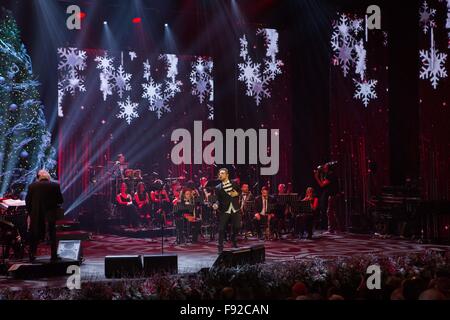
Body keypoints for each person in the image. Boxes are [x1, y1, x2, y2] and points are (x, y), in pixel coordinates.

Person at [25, 170, 64, 262]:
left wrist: (30, 213)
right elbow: (60, 200)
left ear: (38, 177)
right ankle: (54, 255)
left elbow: (28, 201)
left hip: (36, 214)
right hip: (50, 214)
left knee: (34, 234)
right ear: (48, 177)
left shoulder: (32, 186)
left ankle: (32, 255)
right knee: (52, 234)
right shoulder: (55, 185)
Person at [213, 168, 241, 253]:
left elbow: (239, 191)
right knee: (221, 229)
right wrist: (216, 204)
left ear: (227, 175)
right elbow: (217, 199)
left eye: (222, 173)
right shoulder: (218, 188)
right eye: (219, 174)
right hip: (225, 210)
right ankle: (220, 246)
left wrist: (236, 193)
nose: (220, 175)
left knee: (237, 227)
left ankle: (233, 238)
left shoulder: (234, 183)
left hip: (235, 208)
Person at [314, 162, 338, 233]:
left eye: (325, 167)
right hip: (333, 195)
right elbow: (323, 183)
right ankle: (337, 228)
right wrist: (321, 175)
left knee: (330, 212)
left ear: (328, 168)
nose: (323, 167)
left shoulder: (330, 175)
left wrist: (316, 177)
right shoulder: (329, 174)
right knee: (333, 212)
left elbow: (321, 185)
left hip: (333, 195)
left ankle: (331, 229)